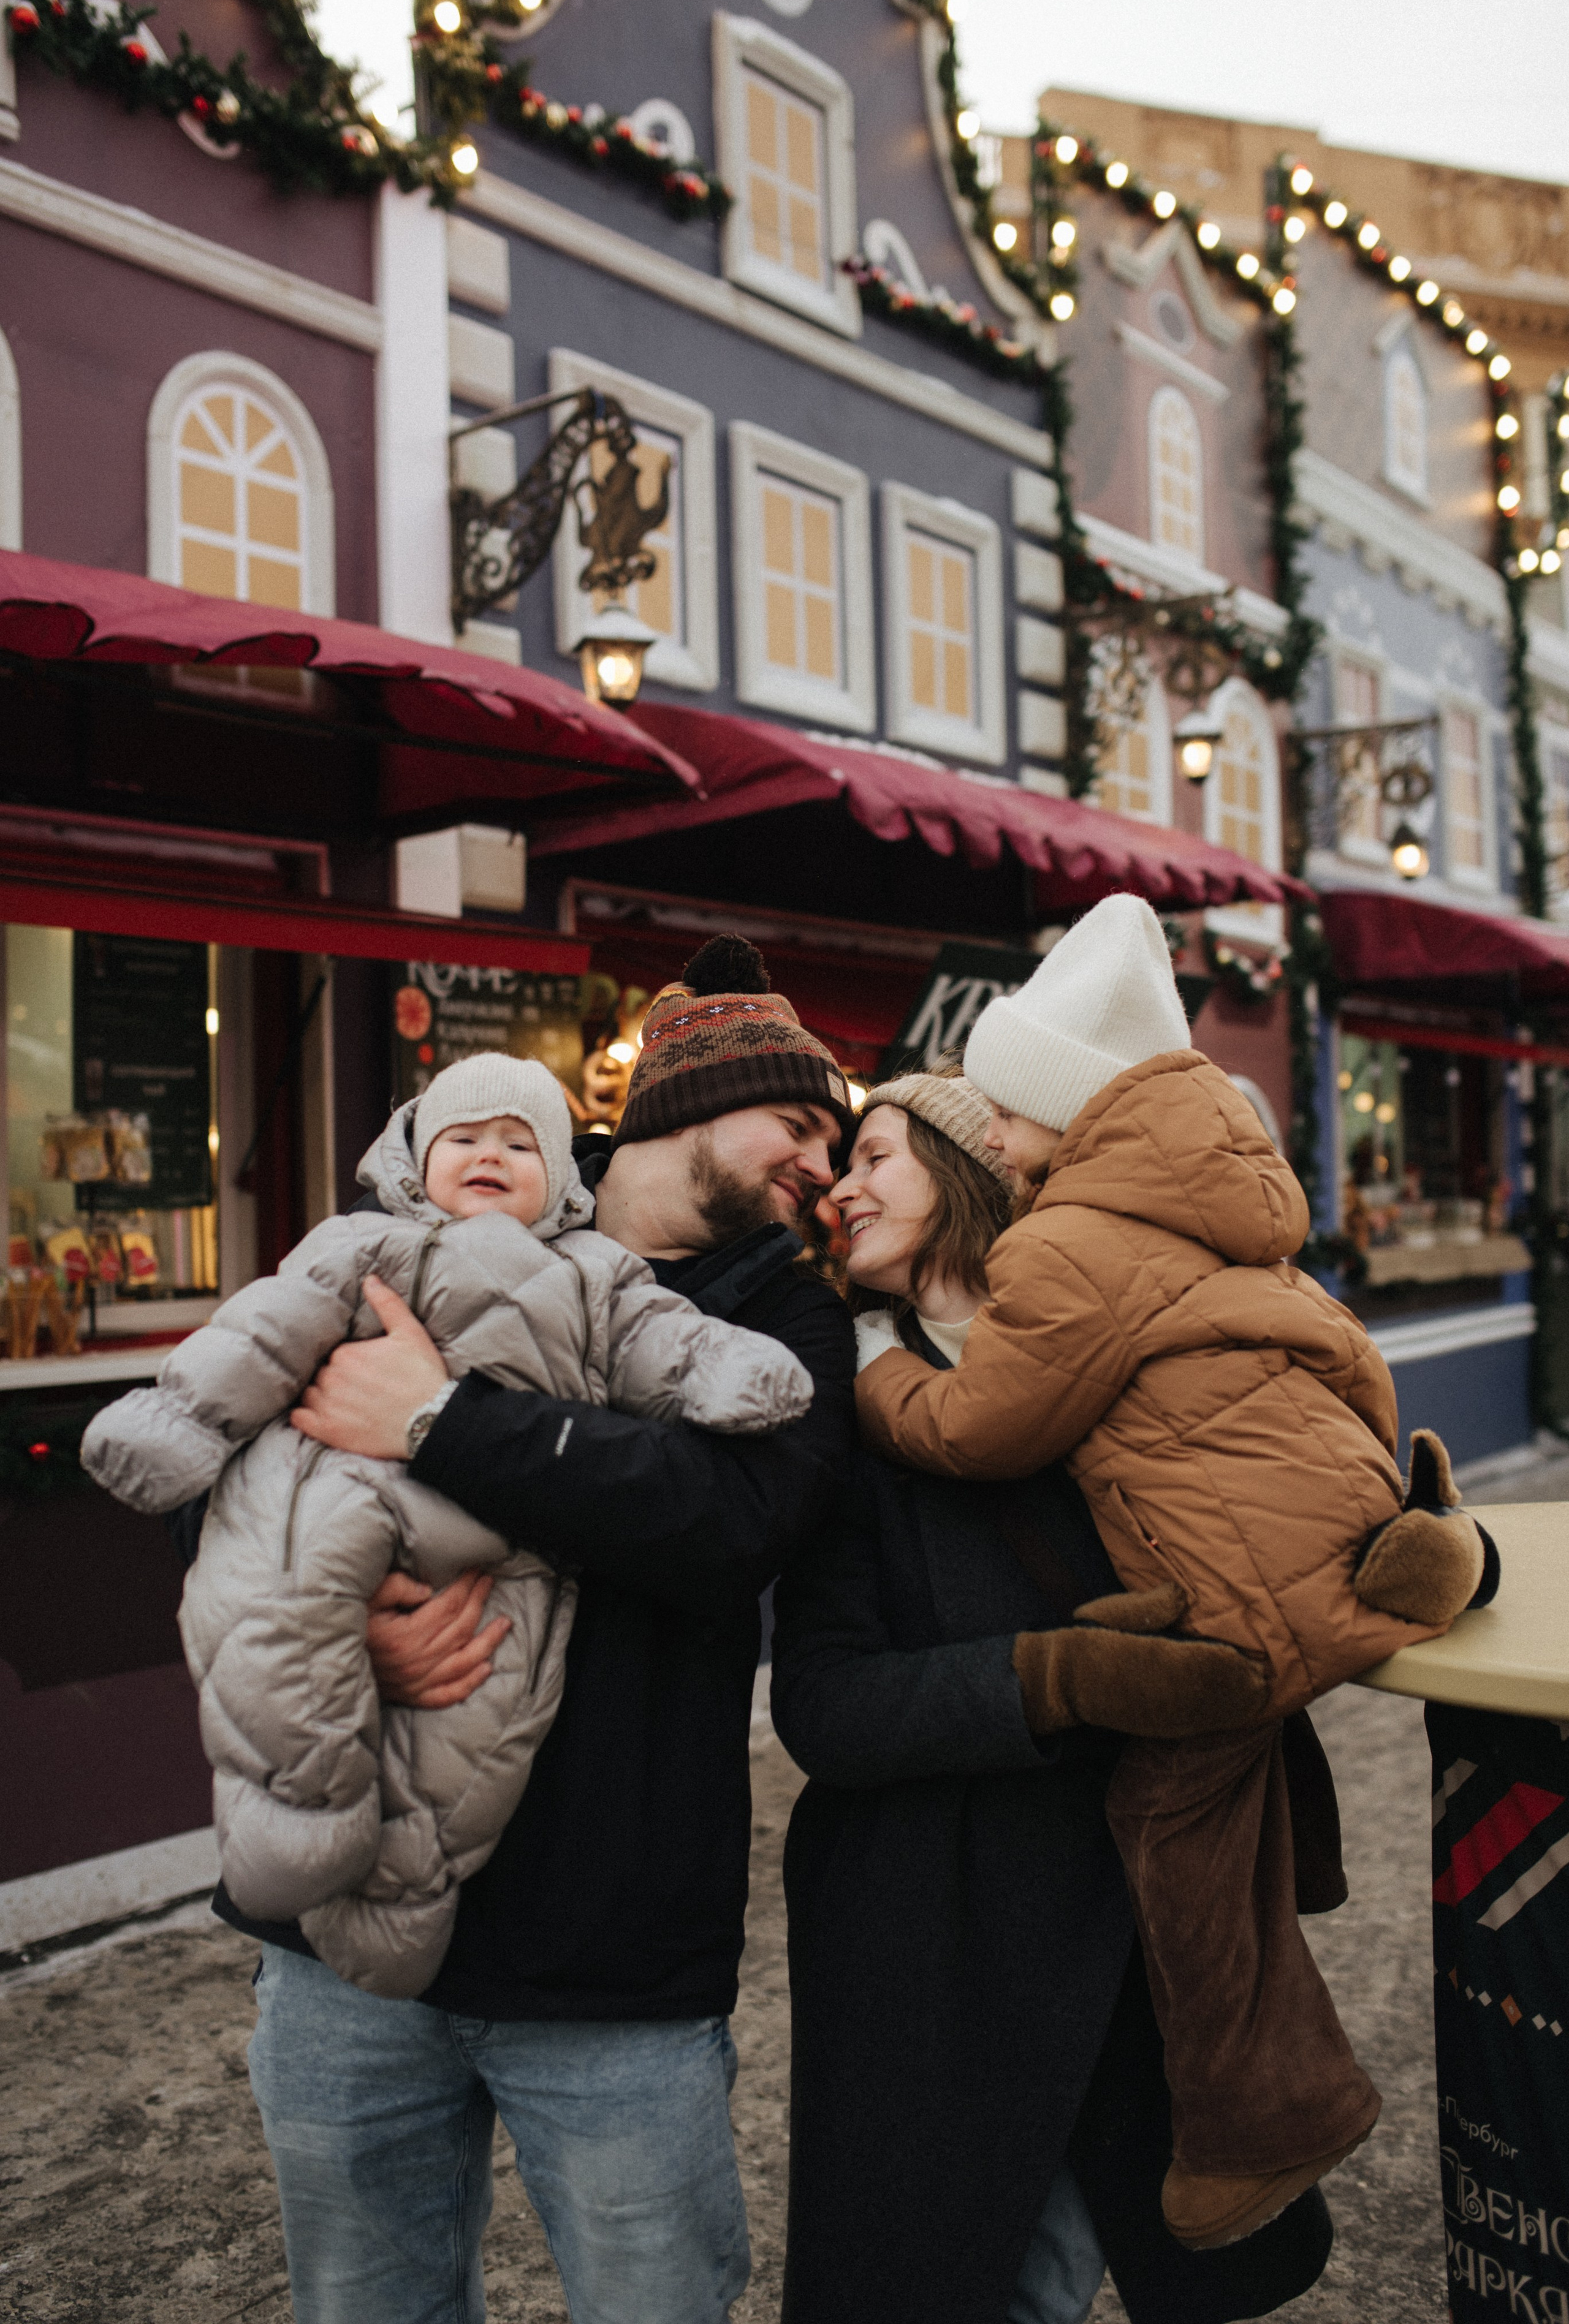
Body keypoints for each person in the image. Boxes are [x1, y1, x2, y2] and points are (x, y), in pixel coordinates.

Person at [175, 937, 857, 2324]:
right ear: (685, 1106)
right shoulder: (440, 1210)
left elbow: (726, 1527)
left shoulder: (787, 1319)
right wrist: (345, 1624)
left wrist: (439, 1420)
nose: (822, 1166)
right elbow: (225, 1454)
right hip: (344, 1931)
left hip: (606, 1960)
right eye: (799, 1124)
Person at [853, 896, 1497, 2252]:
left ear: (1064, 1112)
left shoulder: (1064, 1240)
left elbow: (982, 1429)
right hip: (1345, 1514)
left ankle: (1264, 2118)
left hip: (1239, 1599)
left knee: (1170, 1815)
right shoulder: (1230, 1209)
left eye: (1012, 1109)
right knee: (1241, 1752)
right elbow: (1348, 1355)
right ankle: (1420, 1543)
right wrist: (1375, 1485)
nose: (1001, 1135)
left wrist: (879, 1375)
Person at [771, 1069, 1337, 2324]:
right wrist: (1051, 1681)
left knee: (1163, 2267)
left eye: (875, 1154)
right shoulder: (847, 1417)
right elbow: (822, 1707)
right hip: (934, 1937)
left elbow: (1292, 1534)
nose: (839, 1188)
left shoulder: (1139, 1365)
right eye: (836, 1167)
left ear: (971, 1168)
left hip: (1142, 1926)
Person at [82, 1053, 815, 2000]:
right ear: (414, 1161)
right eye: (463, 1139)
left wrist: (734, 1370)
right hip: (329, 1484)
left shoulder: (596, 1272)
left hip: (483, 1537)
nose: (489, 1155)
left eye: (520, 1144)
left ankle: (397, 1908)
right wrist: (184, 1419)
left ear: (560, 1178)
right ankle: (288, 1830)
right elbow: (264, 1331)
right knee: (268, 1606)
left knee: (480, 1708)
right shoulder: (366, 1244)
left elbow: (662, 1342)